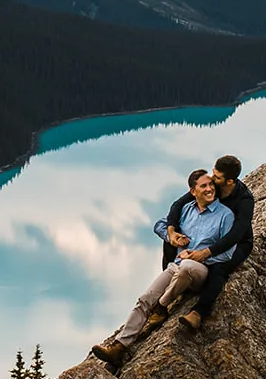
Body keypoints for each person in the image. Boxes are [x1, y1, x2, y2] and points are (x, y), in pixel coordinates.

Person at [92, 169, 235, 364]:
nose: (210, 189)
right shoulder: (187, 210)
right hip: (175, 267)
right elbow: (159, 224)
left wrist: (196, 255)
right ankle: (119, 348)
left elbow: (227, 253)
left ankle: (162, 305)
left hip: (202, 270)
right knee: (145, 299)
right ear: (193, 191)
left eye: (211, 185)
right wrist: (172, 236)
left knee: (186, 267)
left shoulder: (224, 215)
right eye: (204, 186)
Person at [162, 154, 253, 331]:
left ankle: (198, 312)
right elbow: (177, 205)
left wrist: (206, 253)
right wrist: (172, 232)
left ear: (229, 181)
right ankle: (170, 279)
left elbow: (236, 234)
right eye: (213, 172)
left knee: (221, 266)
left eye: (217, 177)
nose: (212, 179)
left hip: (239, 242)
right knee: (169, 242)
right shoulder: (212, 187)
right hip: (213, 235)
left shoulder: (245, 200)